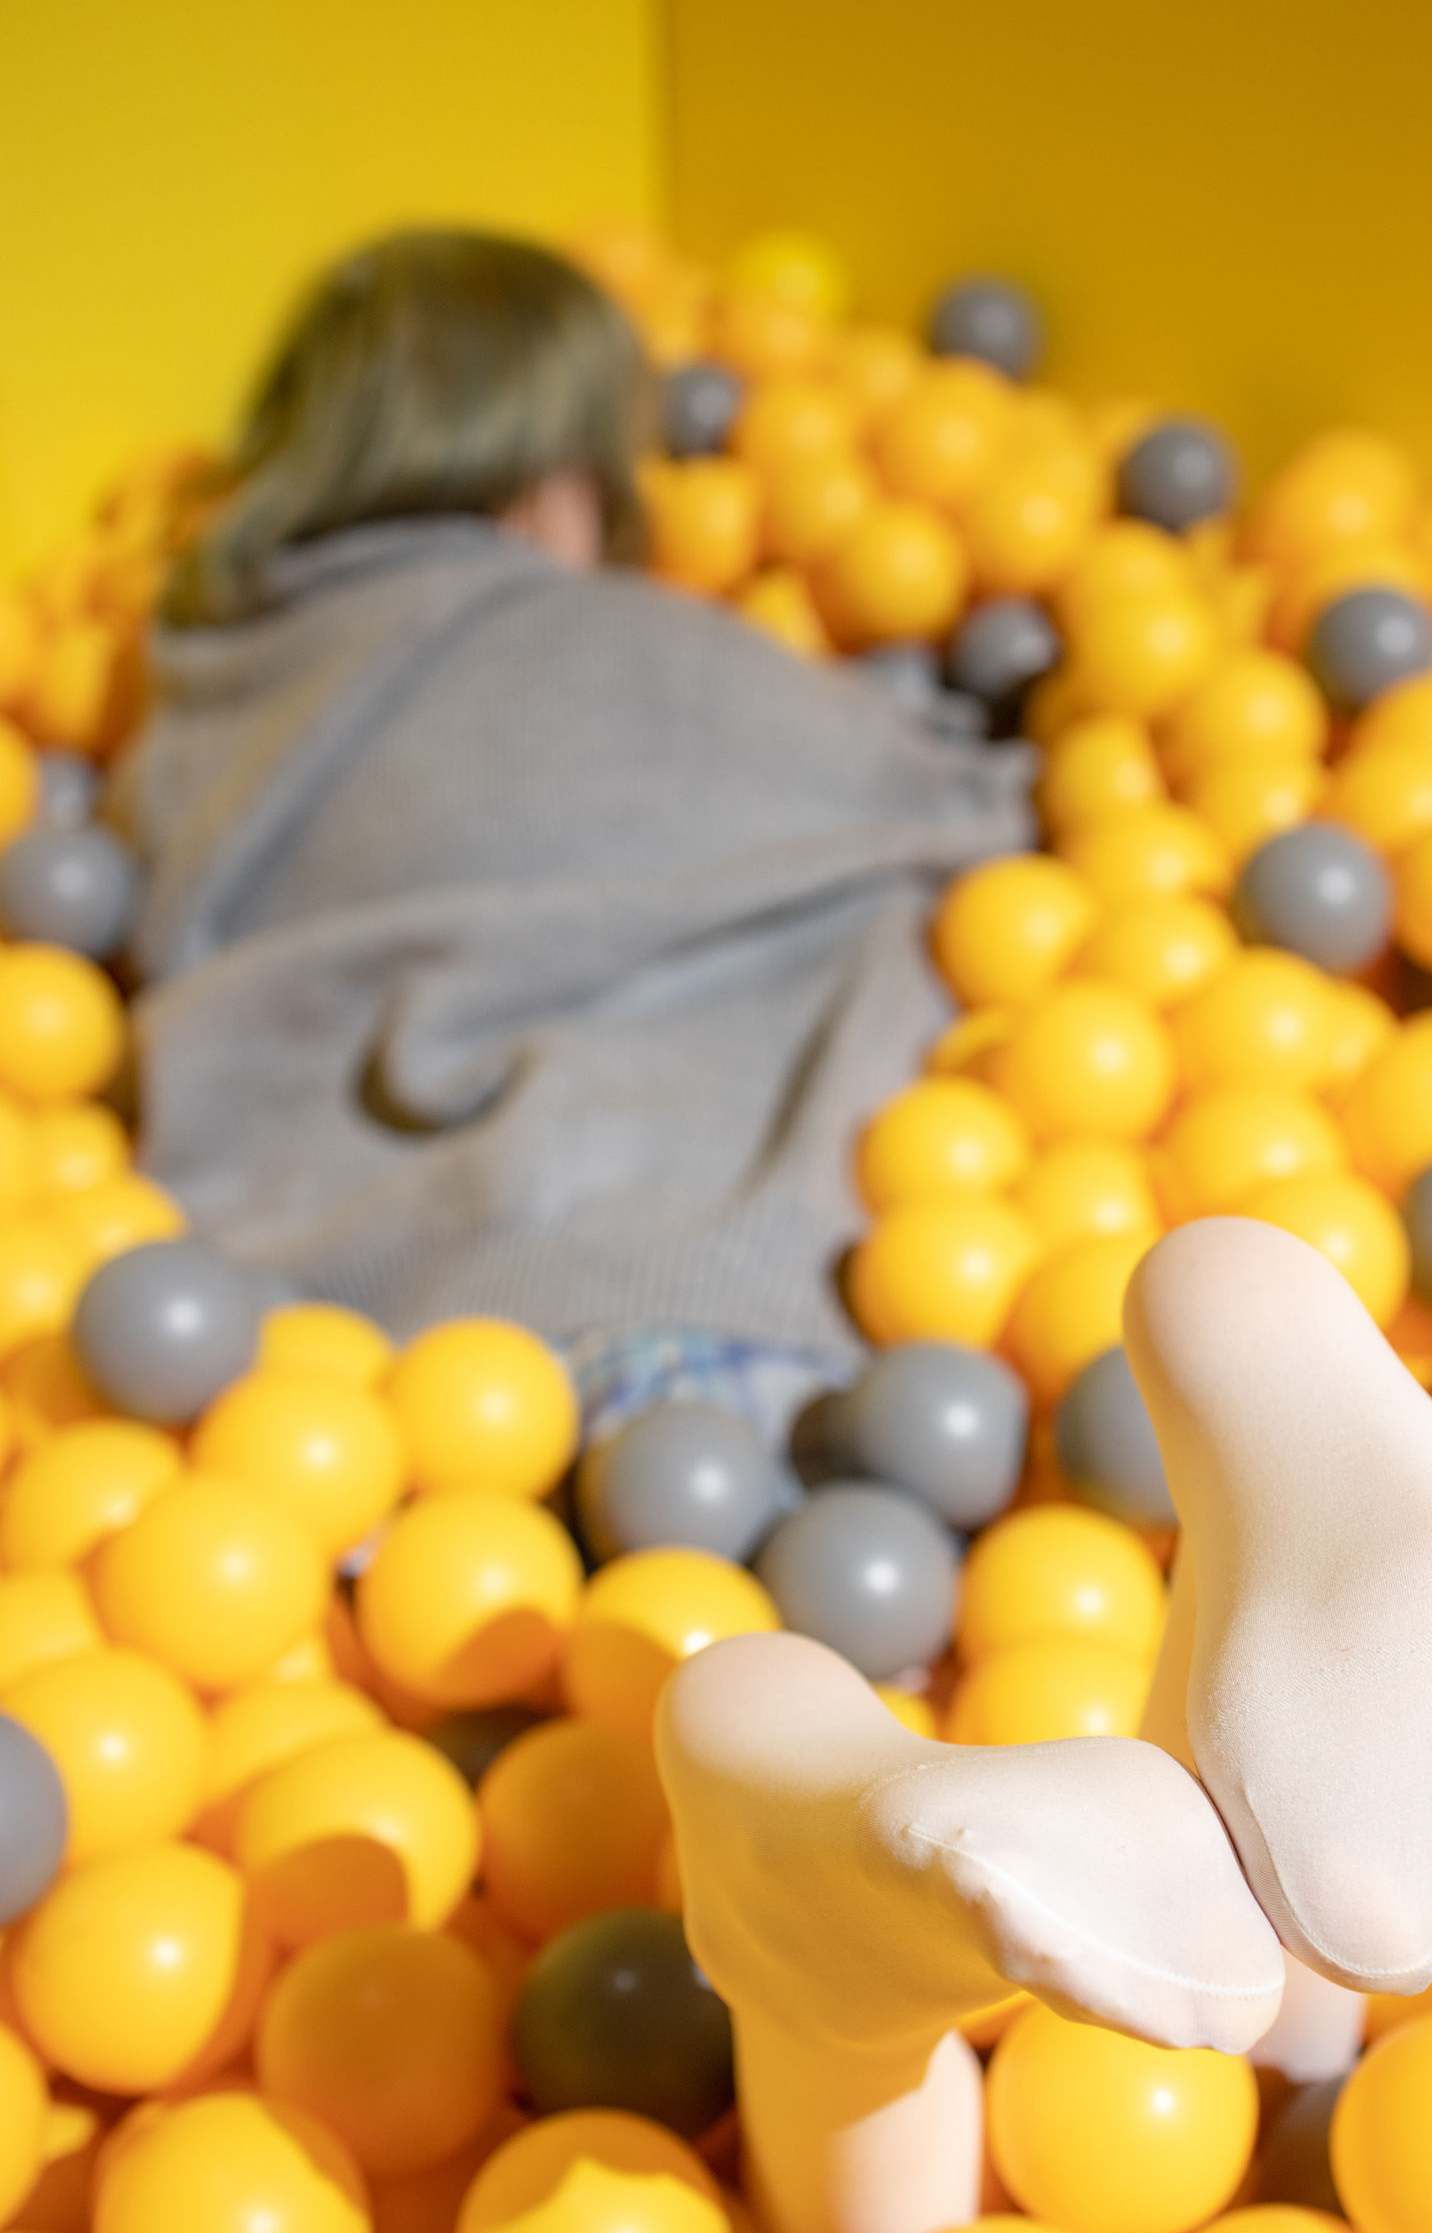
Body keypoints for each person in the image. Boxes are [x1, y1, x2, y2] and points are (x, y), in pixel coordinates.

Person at [118, 228, 1031, 1429]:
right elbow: (940, 801)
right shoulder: (601, 645)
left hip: (300, 1370)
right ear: (552, 480)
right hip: (658, 1301)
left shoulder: (196, 703)